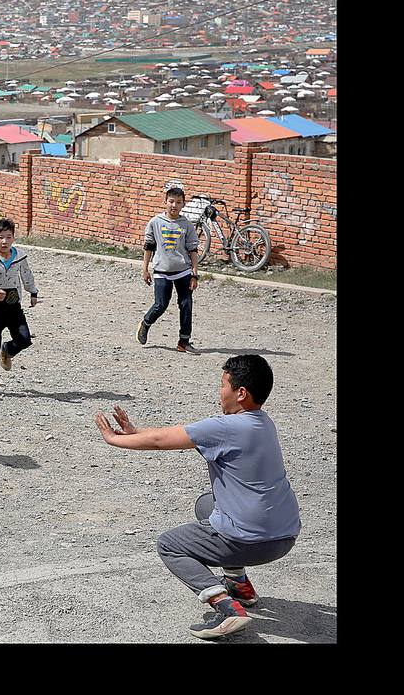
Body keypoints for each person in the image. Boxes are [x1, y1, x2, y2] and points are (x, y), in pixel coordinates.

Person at [94, 355, 301, 640]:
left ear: (240, 393)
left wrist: (114, 439)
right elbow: (178, 435)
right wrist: (135, 431)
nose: (219, 392)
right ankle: (239, 585)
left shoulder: (226, 427)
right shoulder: (263, 423)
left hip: (253, 542)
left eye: (223, 385)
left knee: (169, 544)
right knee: (207, 504)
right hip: (285, 536)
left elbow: (159, 442)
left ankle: (227, 608)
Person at [0, 218, 39, 397]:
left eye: (8, 237)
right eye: (0, 237)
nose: (4, 241)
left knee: (25, 339)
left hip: (14, 307)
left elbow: (27, 275)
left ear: (13, 239)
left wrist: (33, 292)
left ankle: (8, 350)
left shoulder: (19, 257)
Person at [137, 186, 200, 353]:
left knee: (186, 304)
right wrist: (145, 269)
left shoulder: (187, 225)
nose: (174, 205)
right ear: (165, 202)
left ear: (183, 204)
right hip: (161, 271)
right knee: (160, 304)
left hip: (183, 271)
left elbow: (193, 250)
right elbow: (149, 246)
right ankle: (145, 323)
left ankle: (184, 342)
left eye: (178, 202)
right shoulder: (155, 222)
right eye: (171, 201)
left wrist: (194, 274)